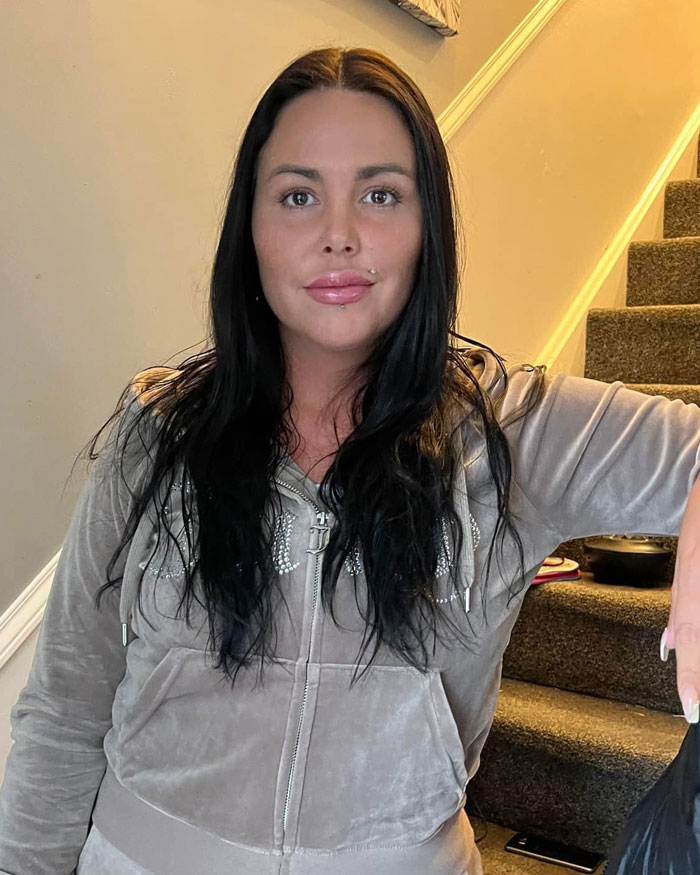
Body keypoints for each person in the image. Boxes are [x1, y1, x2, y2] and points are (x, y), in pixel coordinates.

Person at [1, 45, 700, 875]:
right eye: (298, 195)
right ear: (250, 229)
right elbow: (65, 708)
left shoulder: (513, 429)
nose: (339, 235)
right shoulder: (158, 431)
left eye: (380, 194)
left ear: (427, 224)